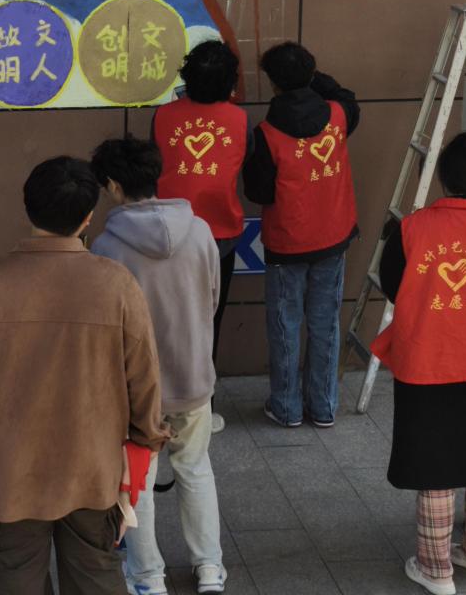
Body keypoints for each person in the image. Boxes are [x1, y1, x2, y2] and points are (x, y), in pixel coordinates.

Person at [0, 156, 170, 595]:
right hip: (92, 469)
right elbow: (144, 382)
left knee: (16, 579)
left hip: (8, 473)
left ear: (28, 208)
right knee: (96, 577)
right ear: (88, 217)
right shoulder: (116, 284)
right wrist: (143, 446)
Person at [91, 137, 226, 595]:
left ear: (113, 185)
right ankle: (210, 569)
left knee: (139, 484)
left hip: (137, 391)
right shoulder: (201, 232)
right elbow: (211, 301)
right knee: (196, 468)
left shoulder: (107, 247)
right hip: (194, 377)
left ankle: (148, 577)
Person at [371, 132, 466, 595]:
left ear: (445, 178)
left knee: (435, 464)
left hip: (429, 360)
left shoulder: (412, 228)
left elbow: (394, 286)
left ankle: (436, 569)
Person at [243, 42, 360, 428]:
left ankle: (287, 407)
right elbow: (345, 95)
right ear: (311, 75)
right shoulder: (339, 115)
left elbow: (259, 193)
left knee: (284, 324)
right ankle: (323, 406)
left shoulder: (265, 134)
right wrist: (313, 80)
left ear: (273, 84)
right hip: (333, 236)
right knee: (325, 322)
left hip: (287, 243)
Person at [152, 40, 250, 434]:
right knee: (209, 321)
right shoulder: (240, 120)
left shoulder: (163, 116)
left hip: (167, 234)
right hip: (218, 237)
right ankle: (203, 409)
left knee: (164, 319)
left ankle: (159, 403)